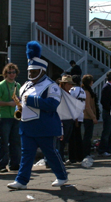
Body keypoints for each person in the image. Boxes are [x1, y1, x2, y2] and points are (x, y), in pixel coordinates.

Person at [7, 42, 68, 190]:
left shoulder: (51, 85)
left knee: (50, 153)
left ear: (42, 71)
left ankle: (62, 176)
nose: (31, 74)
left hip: (44, 126)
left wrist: (33, 101)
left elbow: (52, 104)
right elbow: (21, 102)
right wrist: (19, 108)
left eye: (35, 72)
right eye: (30, 72)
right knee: (26, 155)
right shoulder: (25, 85)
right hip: (27, 125)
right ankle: (21, 181)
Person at [0, 63, 21, 173]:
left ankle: (15, 164)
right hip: (4, 116)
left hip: (15, 116)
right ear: (6, 73)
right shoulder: (1, 85)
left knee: (16, 142)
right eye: (10, 72)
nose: (12, 74)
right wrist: (8, 103)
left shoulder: (17, 85)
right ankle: (2, 165)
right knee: (4, 142)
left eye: (14, 72)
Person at [81, 74, 99, 165]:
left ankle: (87, 153)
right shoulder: (86, 92)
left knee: (88, 135)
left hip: (88, 116)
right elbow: (87, 106)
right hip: (87, 117)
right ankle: (86, 153)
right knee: (87, 136)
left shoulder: (88, 91)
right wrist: (93, 117)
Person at [99, 71, 111, 156]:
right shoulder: (106, 87)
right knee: (106, 131)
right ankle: (102, 150)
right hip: (107, 112)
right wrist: (110, 109)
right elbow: (103, 101)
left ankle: (109, 149)